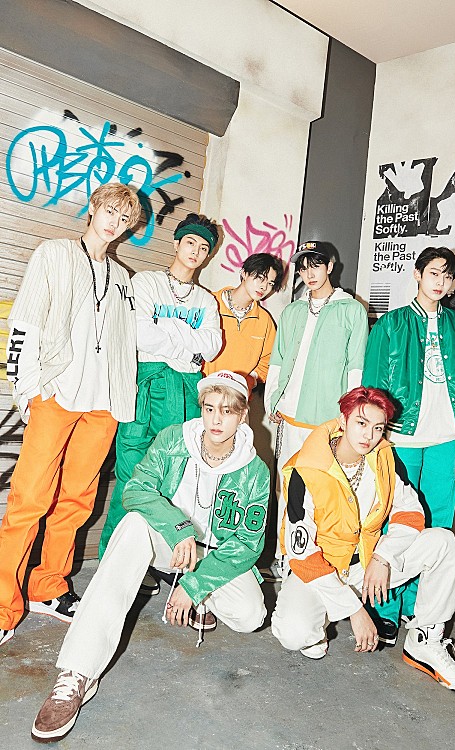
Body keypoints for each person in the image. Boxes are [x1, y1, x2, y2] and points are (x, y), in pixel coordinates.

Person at [31, 371, 270, 743]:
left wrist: (194, 586)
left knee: (250, 615)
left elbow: (247, 545)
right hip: (169, 541)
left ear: (243, 415)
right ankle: (78, 671)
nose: (216, 419)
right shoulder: (175, 440)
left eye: (227, 411)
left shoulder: (255, 472)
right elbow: (136, 489)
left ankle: (199, 597)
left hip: (214, 557)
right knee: (132, 525)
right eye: (209, 408)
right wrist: (179, 527)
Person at [0, 183, 142, 646]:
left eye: (124, 219)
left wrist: (121, 400)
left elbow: (124, 344)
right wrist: (26, 388)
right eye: (109, 211)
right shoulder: (54, 254)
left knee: (76, 502)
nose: (115, 223)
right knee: (28, 501)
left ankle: (48, 587)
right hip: (57, 395)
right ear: (93, 209)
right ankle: (3, 606)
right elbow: (25, 321)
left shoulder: (122, 277)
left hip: (101, 406)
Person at [271, 386, 455, 694]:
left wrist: (384, 557)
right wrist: (355, 611)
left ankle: (426, 641)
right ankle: (319, 622)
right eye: (361, 423)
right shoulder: (305, 469)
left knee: (442, 543)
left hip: (367, 567)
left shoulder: (383, 457)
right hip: (320, 570)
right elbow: (302, 555)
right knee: (294, 633)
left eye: (378, 428)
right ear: (342, 421)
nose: (369, 435)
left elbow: (410, 512)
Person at [362, 247, 455, 642]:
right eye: (434, 273)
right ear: (417, 274)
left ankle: (418, 608)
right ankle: (384, 608)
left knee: (436, 526)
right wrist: (375, 430)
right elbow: (372, 384)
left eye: (448, 277)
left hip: (444, 441)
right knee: (394, 522)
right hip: (400, 438)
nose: (441, 282)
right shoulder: (391, 324)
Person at [98, 213, 222, 567]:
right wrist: (186, 345)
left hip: (186, 392)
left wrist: (167, 331)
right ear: (177, 243)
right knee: (132, 477)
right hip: (146, 386)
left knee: (172, 479)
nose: (195, 251)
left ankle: (151, 562)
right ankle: (113, 564)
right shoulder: (146, 282)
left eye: (203, 248)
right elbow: (139, 333)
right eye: (190, 242)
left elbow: (212, 346)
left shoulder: (206, 301)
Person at [264, 241, 368, 579]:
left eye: (316, 266)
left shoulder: (351, 310)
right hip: (290, 416)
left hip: (327, 419)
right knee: (286, 488)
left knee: (322, 491)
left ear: (331, 267)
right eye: (304, 267)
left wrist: (351, 414)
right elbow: (278, 359)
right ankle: (283, 556)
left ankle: (318, 561)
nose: (309, 273)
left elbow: (356, 365)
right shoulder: (292, 311)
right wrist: (272, 401)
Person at [203, 252, 284, 393]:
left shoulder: (264, 321)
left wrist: (249, 381)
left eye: (270, 283)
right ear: (244, 273)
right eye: (260, 278)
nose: (264, 287)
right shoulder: (210, 304)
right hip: (200, 392)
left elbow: (269, 361)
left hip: (237, 399)